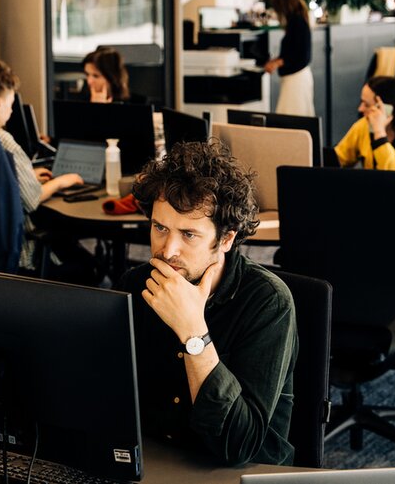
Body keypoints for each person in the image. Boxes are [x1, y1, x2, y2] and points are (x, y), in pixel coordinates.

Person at [118, 141, 298, 466]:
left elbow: (238, 446)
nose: (168, 250)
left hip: (236, 472)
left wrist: (193, 333)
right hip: (157, 462)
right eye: (160, 228)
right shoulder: (136, 284)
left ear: (226, 239)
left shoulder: (268, 303)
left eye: (188, 234)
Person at [0, 62, 84, 271]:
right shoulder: (2, 141)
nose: (11, 109)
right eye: (10, 103)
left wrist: (27, 175)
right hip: (17, 249)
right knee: (86, 268)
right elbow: (32, 199)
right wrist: (61, 182)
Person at [333, 75, 395, 170]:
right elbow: (338, 159)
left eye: (367, 105)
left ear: (388, 109)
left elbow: (394, 174)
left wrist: (379, 133)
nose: (360, 109)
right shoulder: (364, 125)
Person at [264, 0, 315, 116]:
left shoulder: (297, 22)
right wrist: (277, 60)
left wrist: (277, 62)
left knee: (291, 121)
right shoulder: (298, 20)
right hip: (297, 78)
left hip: (296, 80)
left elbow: (300, 55)